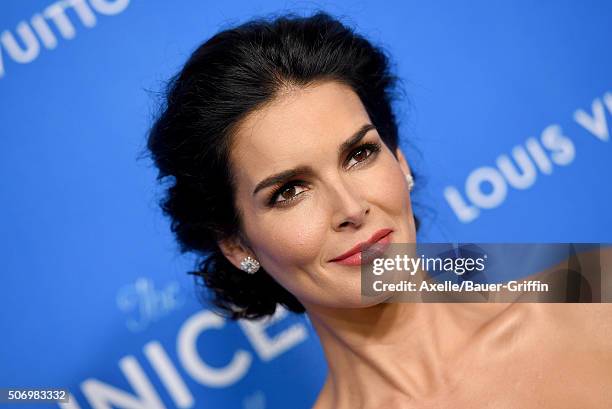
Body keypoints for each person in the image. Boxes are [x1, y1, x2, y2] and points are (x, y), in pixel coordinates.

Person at [146, 11, 612, 408]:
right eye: (289, 191)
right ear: (235, 243)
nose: (351, 207)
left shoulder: (594, 296)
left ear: (399, 159)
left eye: (359, 154)